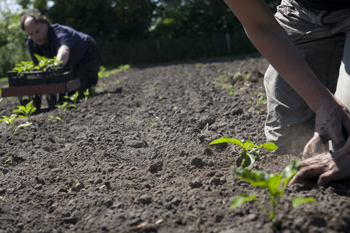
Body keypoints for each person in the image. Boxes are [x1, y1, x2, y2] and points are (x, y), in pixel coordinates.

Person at [223, 0, 350, 186]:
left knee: (340, 142)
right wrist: (321, 102)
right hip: (302, 15)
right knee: (288, 141)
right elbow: (261, 26)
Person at [20, 9, 101, 95]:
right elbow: (38, 66)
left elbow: (64, 50)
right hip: (68, 62)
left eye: (37, 31)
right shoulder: (31, 43)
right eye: (31, 34)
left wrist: (56, 66)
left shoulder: (59, 32)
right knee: (66, 93)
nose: (35, 37)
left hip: (86, 54)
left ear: (46, 26)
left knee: (81, 92)